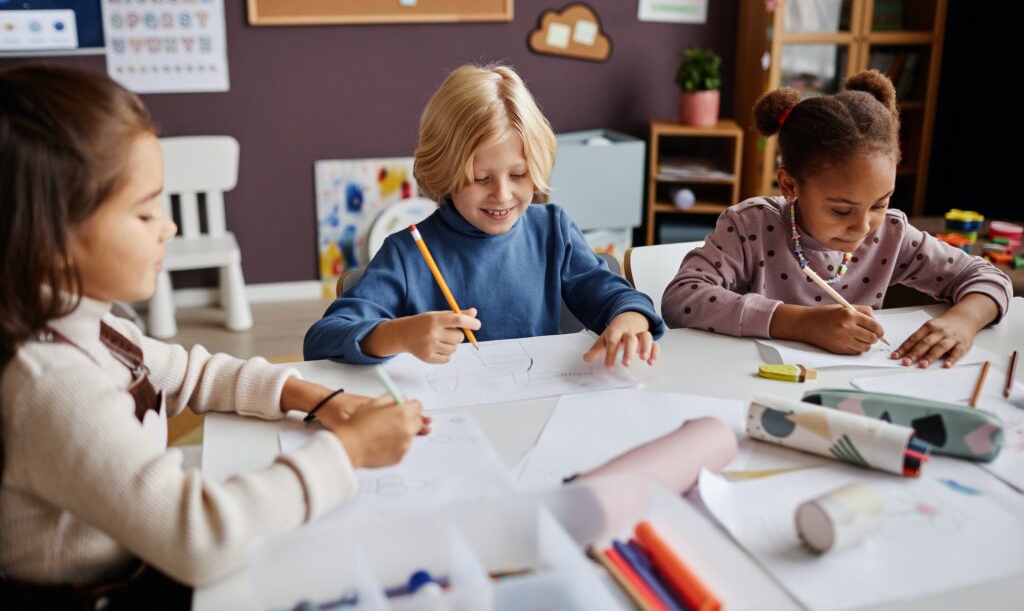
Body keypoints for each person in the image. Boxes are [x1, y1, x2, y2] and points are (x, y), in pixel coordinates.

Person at [0, 65, 425, 608]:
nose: (169, 226)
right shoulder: (53, 386)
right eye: (145, 210)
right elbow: (198, 537)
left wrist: (318, 399)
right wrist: (348, 452)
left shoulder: (93, 325)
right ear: (51, 241)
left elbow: (194, 374)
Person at [305, 64, 664, 369]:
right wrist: (396, 335)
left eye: (519, 175)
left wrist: (628, 321)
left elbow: (616, 296)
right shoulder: (407, 254)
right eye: (480, 179)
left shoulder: (553, 231)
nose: (503, 195)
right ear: (444, 171)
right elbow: (321, 339)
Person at [662, 70, 1010, 368]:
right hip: (751, 384)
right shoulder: (750, 227)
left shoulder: (890, 234)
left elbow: (987, 276)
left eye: (880, 203)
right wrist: (800, 323)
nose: (862, 227)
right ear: (789, 185)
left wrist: (963, 321)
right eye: (841, 210)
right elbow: (681, 299)